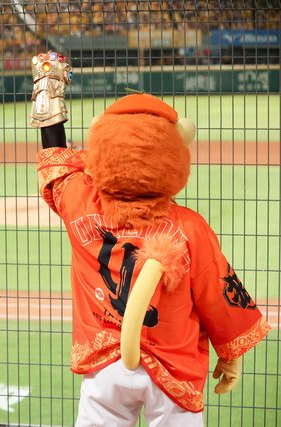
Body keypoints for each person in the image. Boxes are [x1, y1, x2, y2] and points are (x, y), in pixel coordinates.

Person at [30, 51, 271, 426]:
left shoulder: (79, 202)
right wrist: (230, 354)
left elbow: (57, 162)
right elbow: (216, 294)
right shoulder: (188, 227)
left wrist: (47, 88)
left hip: (104, 363)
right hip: (172, 366)